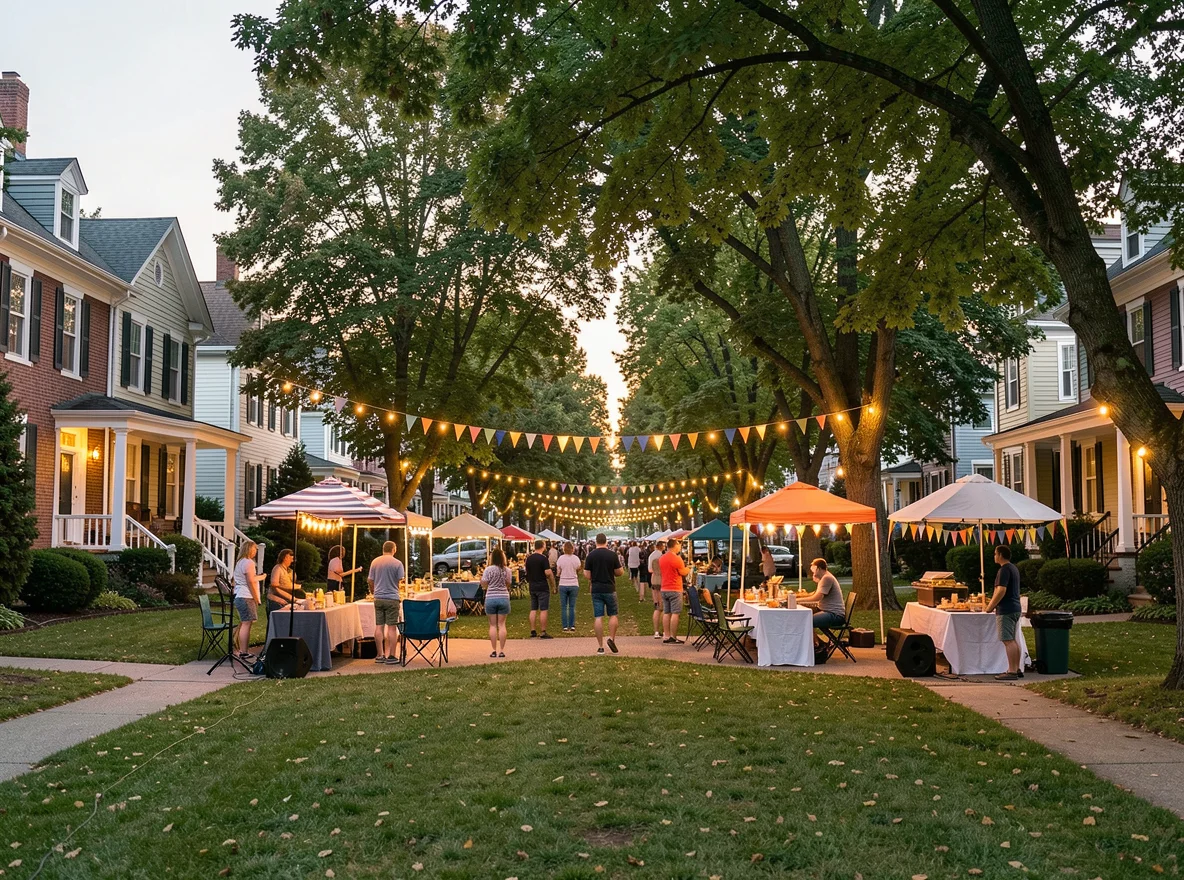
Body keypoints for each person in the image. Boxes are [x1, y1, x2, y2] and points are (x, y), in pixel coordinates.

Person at [985, 545, 1024, 680]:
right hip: (1015, 608)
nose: (994, 556)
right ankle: (1017, 668)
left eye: (995, 554)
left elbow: (1001, 590)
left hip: (1006, 609)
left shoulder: (1004, 570)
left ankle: (1011, 671)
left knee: (1008, 640)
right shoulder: (1013, 568)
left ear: (1001, 555)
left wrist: (990, 606)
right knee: (1013, 640)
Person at [583, 533, 623, 654]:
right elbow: (619, 572)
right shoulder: (612, 555)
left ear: (596, 542)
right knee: (613, 615)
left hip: (596, 589)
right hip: (610, 588)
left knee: (598, 616)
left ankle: (600, 646)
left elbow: (587, 574)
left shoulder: (591, 555)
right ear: (606, 542)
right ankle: (612, 639)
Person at [367, 541, 406, 665]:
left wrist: (373, 591)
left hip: (378, 598)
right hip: (392, 598)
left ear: (383, 549)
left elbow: (370, 580)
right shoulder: (397, 563)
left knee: (379, 626)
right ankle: (392, 655)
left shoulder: (375, 562)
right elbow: (400, 580)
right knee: (392, 628)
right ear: (394, 549)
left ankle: (380, 655)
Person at [232, 541, 265, 662]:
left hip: (240, 595)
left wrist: (261, 577)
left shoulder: (240, 562)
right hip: (246, 596)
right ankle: (244, 652)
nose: (255, 551)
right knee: (246, 624)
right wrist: (256, 598)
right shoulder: (248, 562)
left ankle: (242, 650)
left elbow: (249, 578)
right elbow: (250, 582)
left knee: (244, 623)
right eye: (254, 549)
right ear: (249, 549)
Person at [804, 558, 846, 643]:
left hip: (834, 615)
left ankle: (818, 644)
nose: (813, 573)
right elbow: (816, 593)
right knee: (804, 615)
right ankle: (818, 643)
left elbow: (817, 598)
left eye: (814, 570)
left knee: (806, 621)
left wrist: (796, 600)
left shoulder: (827, 578)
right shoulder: (825, 577)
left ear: (819, 568)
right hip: (826, 610)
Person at [483, 547, 513, 658]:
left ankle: (493, 650)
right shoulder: (507, 570)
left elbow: (484, 583)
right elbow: (508, 583)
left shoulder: (488, 570)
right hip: (503, 597)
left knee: (492, 625)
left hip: (491, 597)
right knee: (502, 625)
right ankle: (502, 650)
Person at [659, 538, 691, 644]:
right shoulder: (677, 558)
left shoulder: (662, 558)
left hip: (664, 588)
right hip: (675, 588)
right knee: (675, 613)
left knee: (666, 612)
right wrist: (689, 568)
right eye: (679, 545)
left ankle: (666, 635)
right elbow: (682, 572)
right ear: (675, 546)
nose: (680, 547)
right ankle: (673, 636)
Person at [524, 539, 556, 638]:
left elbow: (527, 572)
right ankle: (543, 631)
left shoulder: (529, 559)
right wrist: (553, 585)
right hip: (542, 586)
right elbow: (548, 572)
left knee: (533, 608)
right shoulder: (543, 558)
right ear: (543, 546)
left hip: (532, 585)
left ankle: (533, 630)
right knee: (543, 609)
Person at [556, 541, 582, 632]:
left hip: (563, 583)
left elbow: (558, 572)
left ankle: (565, 626)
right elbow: (578, 568)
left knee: (563, 606)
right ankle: (572, 625)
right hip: (573, 583)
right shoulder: (576, 558)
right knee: (572, 606)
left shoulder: (561, 559)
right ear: (572, 549)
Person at [267, 549, 301, 614]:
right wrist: (289, 597)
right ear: (285, 557)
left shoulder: (290, 571)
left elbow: (290, 585)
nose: (292, 560)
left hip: (287, 600)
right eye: (290, 558)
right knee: (277, 618)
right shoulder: (277, 568)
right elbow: (274, 585)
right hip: (276, 600)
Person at [647, 539, 666, 639]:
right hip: (662, 581)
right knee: (663, 607)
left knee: (657, 606)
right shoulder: (662, 556)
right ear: (661, 547)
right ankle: (664, 630)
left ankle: (656, 631)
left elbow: (649, 569)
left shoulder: (651, 555)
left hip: (654, 580)